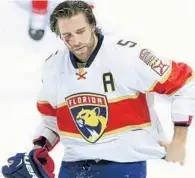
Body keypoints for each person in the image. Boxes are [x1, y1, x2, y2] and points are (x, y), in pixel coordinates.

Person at [2, 1, 195, 178]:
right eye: (67, 35)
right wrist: (40, 148)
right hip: (72, 166)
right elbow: (52, 117)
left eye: (80, 31)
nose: (75, 41)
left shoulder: (130, 55)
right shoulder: (53, 66)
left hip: (124, 166)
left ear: (93, 25)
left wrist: (179, 140)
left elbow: (186, 83)